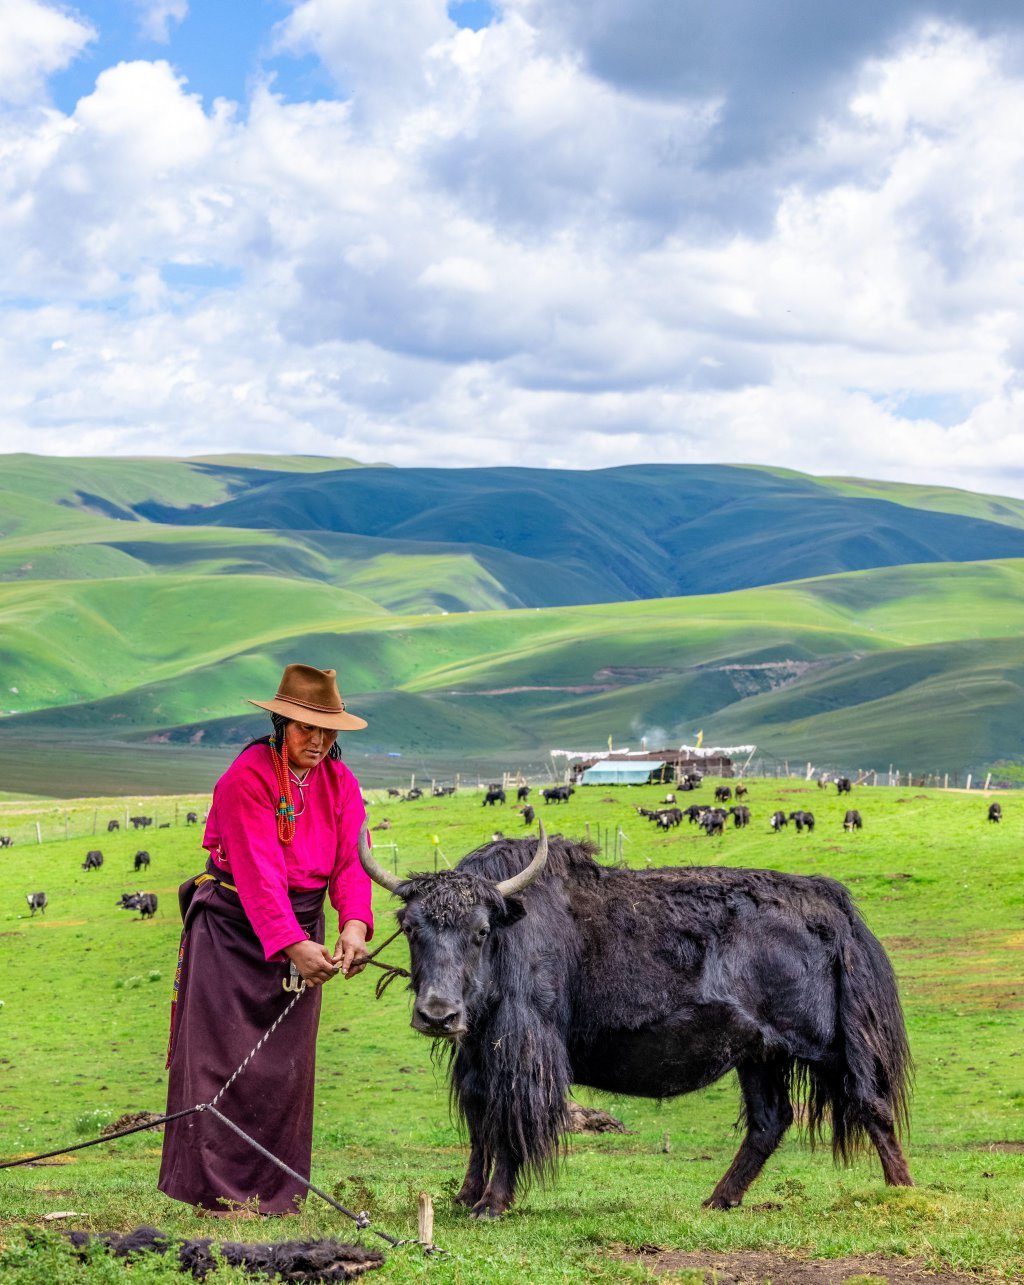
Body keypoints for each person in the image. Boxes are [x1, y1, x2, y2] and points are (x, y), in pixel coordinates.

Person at [158, 664, 374, 1215]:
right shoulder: (246, 778)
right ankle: (213, 1193)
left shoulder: (341, 783)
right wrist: (293, 945)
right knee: (219, 1060)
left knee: (285, 1069)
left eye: (327, 731)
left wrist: (353, 925)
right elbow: (258, 875)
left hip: (301, 930)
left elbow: (352, 862)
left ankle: (276, 1193)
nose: (318, 741)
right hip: (232, 930)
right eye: (306, 728)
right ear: (282, 724)